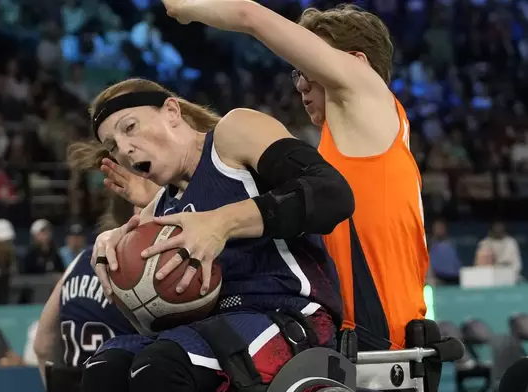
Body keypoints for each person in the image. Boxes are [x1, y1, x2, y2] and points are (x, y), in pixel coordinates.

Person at [116, 0, 427, 351]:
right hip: (349, 338)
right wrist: (158, 204)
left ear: (356, 63)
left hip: (380, 339)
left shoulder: (368, 96)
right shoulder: (341, 148)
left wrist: (189, 9)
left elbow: (250, 14)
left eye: (306, 67)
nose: (300, 86)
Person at [73, 78, 354, 392]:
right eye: (112, 145)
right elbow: (152, 322)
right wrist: (120, 275)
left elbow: (332, 194)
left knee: (161, 366)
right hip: (209, 329)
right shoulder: (157, 214)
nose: (124, 149)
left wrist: (221, 223)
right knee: (104, 368)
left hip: (290, 315)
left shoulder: (232, 135)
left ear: (171, 111)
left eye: (129, 127)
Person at [33, 196, 137, 388]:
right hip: (117, 381)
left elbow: (42, 345)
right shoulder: (141, 263)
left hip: (72, 380)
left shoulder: (80, 259)